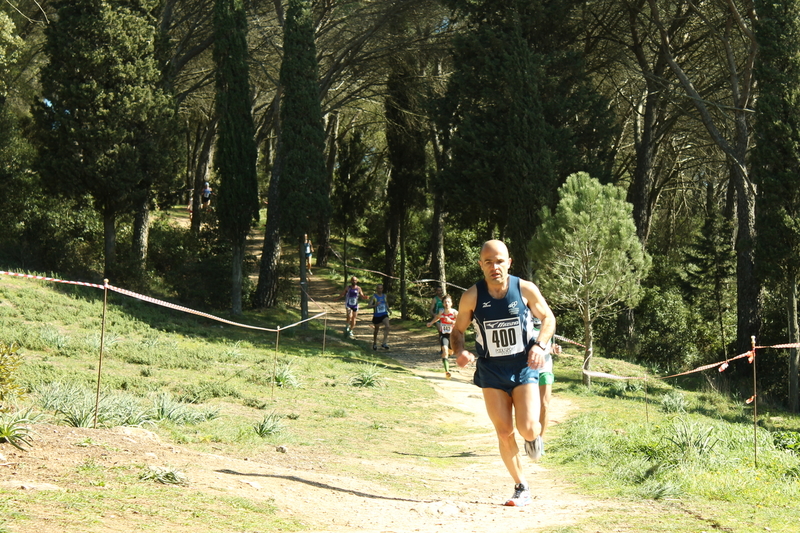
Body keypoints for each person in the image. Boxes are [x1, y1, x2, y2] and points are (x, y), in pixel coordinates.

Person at [452, 239, 556, 508]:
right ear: (481, 265)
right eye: (488, 262)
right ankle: (521, 486)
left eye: (499, 261)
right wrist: (459, 351)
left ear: (509, 262)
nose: (494, 266)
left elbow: (548, 319)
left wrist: (540, 345)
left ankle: (533, 439)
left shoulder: (524, 289)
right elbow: (457, 331)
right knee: (504, 431)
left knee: (527, 428)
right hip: (491, 370)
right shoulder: (472, 296)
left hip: (523, 366)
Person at [532, 317, 561, 457]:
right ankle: (530, 435)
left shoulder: (549, 326)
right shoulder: (523, 322)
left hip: (545, 370)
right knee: (530, 408)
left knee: (545, 405)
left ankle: (540, 441)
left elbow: (551, 346)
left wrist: (555, 349)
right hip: (528, 371)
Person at [427, 294, 458, 379]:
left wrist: (451, 321)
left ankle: (449, 353)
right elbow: (437, 318)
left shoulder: (455, 312)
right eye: (445, 302)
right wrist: (431, 323)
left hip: (452, 335)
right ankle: (447, 371)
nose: (447, 303)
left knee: (450, 352)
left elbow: (460, 323)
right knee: (444, 350)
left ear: (451, 303)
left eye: (448, 302)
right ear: (443, 304)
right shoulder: (441, 311)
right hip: (444, 334)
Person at [369, 283, 390, 350]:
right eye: (379, 288)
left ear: (382, 289)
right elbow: (368, 306)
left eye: (381, 288)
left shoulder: (384, 296)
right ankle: (375, 343)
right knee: (376, 330)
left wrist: (389, 309)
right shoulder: (374, 297)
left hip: (384, 313)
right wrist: (375, 305)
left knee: (387, 326)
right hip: (377, 315)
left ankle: (384, 343)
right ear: (376, 289)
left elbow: (386, 303)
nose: (380, 290)